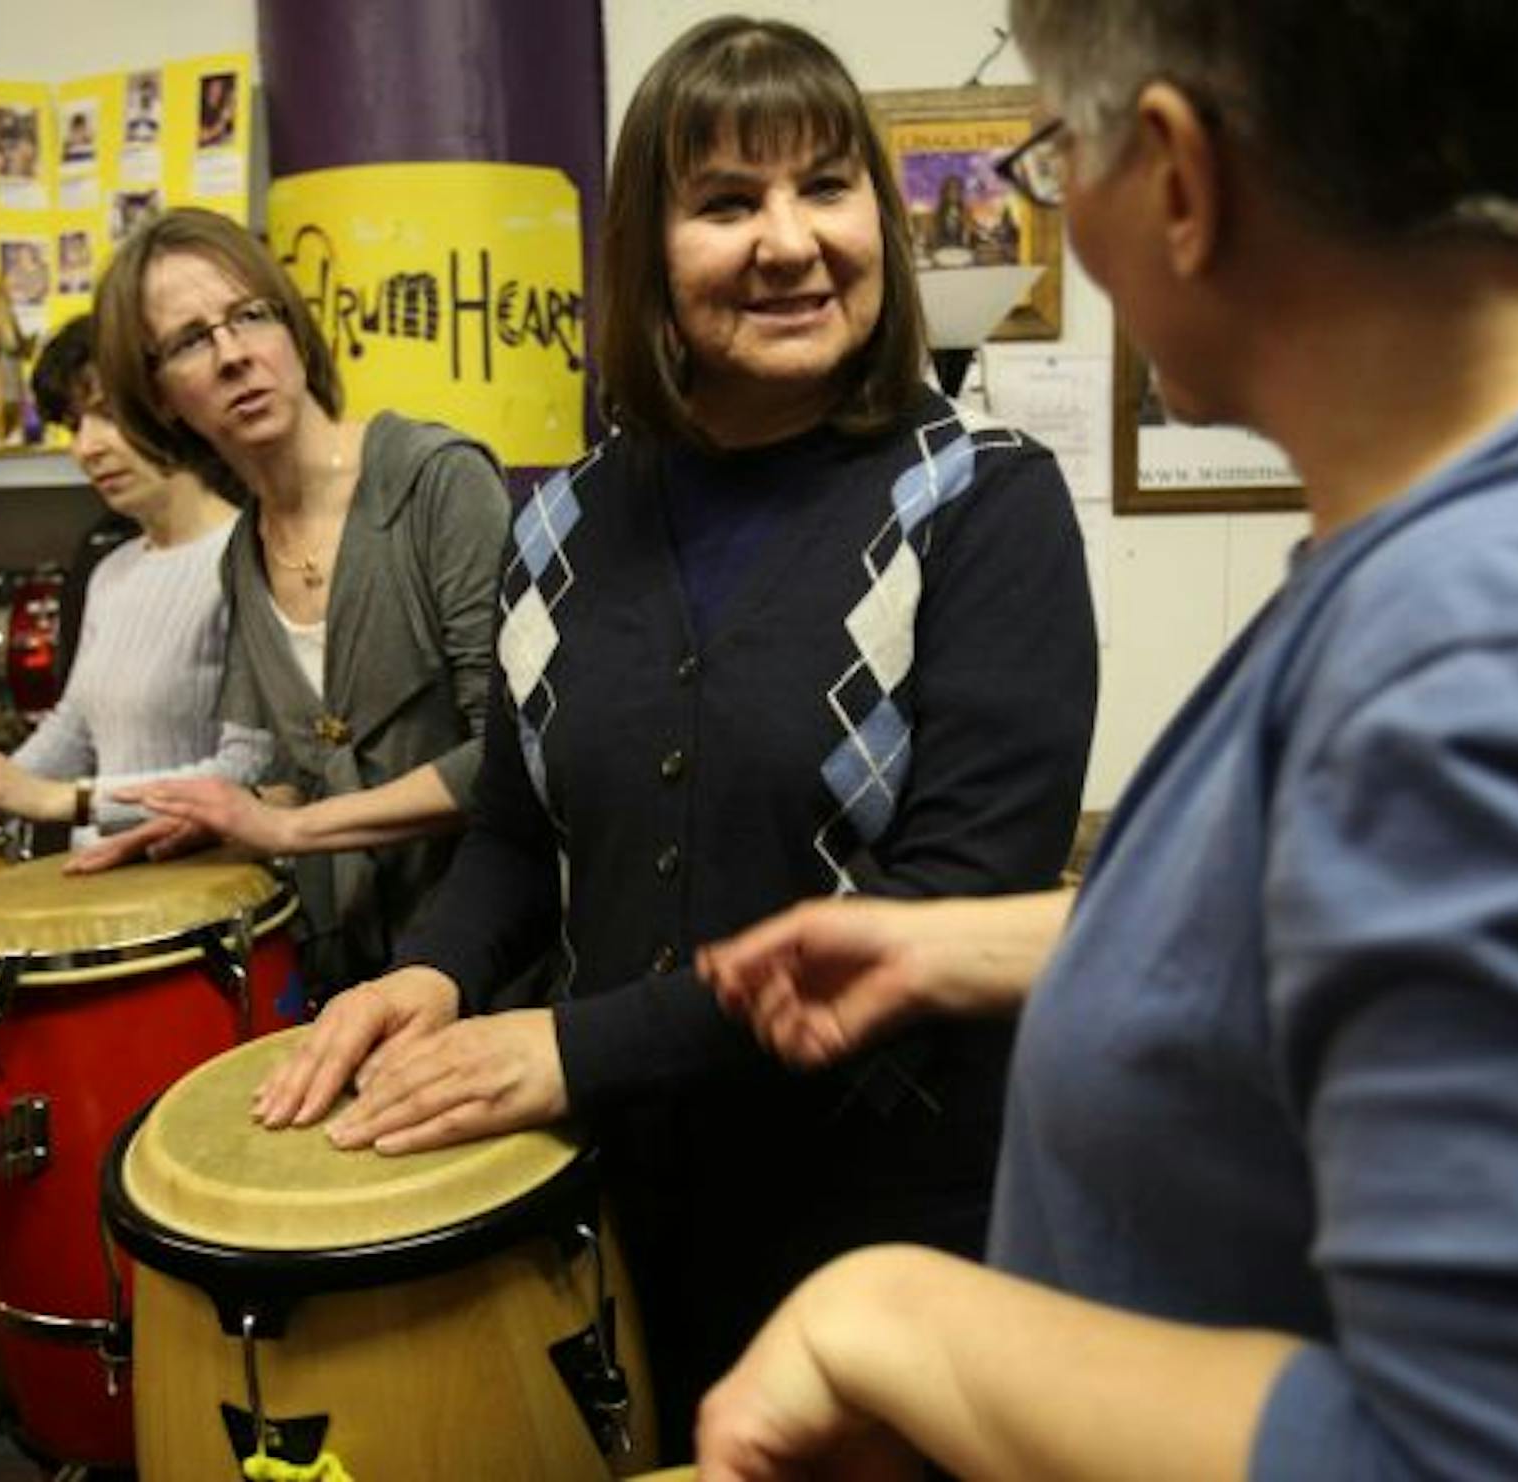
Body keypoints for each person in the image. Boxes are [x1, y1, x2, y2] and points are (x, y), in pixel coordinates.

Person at [695, 2, 1518, 1478]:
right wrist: (983, 947)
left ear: (1178, 178)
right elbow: (1361, 915)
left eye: (1060, 156)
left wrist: (899, 1320)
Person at [237, 15, 1096, 1454]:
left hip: (888, 1229)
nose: (790, 240)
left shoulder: (983, 506)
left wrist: (574, 1047)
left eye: (827, 187)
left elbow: (943, 912)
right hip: (612, 1212)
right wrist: (436, 975)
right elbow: (519, 829)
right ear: (647, 247)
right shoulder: (560, 522)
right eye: (725, 203)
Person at [80, 207, 510, 996]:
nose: (235, 355)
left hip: (482, 970)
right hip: (344, 972)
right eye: (189, 341)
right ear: (160, 397)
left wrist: (286, 828)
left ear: (291, 326)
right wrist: (212, 819)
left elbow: (511, 759)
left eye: (251, 316)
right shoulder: (244, 556)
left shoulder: (437, 482)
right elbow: (290, 774)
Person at [0, 315, 266, 842]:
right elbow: (75, 726)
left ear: (174, 410)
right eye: (74, 425)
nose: (86, 448)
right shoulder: (111, 571)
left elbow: (249, 773)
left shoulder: (247, 560)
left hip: (197, 894)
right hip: (99, 888)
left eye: (107, 415)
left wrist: (58, 800)